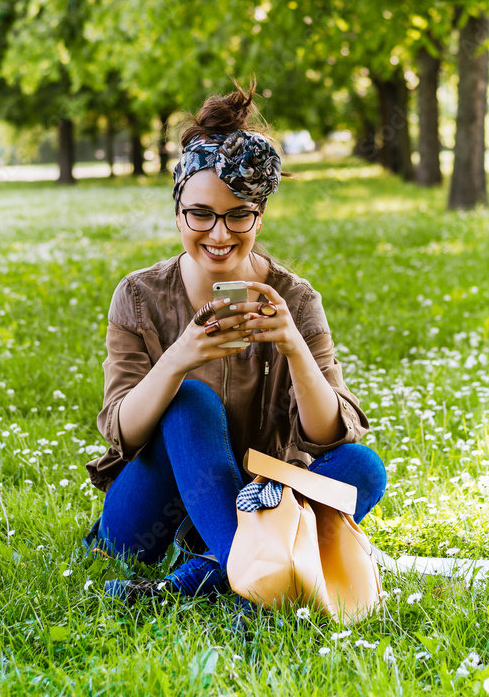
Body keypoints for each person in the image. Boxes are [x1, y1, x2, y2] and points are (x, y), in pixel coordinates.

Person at [82, 78, 386, 605]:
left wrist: (293, 346)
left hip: (256, 499)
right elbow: (122, 434)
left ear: (259, 215)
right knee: (190, 401)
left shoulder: (294, 299)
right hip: (151, 509)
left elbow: (330, 435)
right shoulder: (138, 297)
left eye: (238, 215)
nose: (219, 234)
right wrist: (178, 359)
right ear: (178, 211)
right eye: (200, 213)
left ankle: (203, 576)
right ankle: (254, 573)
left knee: (363, 469)